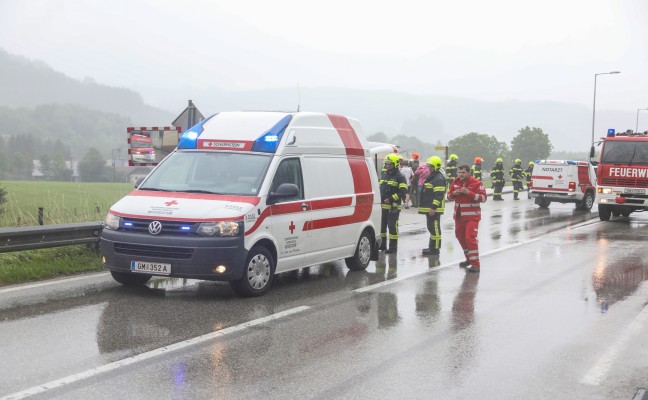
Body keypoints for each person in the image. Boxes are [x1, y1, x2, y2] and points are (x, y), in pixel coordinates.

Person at [447, 165, 487, 273]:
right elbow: (448, 197)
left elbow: (483, 198)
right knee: (461, 238)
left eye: (463, 172)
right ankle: (469, 260)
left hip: (472, 216)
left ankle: (476, 265)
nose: (460, 175)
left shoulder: (476, 183)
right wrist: (453, 194)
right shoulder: (455, 182)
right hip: (459, 216)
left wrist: (468, 193)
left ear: (469, 173)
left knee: (470, 238)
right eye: (459, 172)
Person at [379, 153, 408, 253]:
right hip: (383, 206)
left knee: (392, 226)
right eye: (386, 164)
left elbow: (403, 191)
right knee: (382, 227)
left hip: (393, 206)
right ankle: (382, 246)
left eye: (390, 164)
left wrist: (391, 199)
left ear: (395, 164)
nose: (387, 166)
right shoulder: (384, 174)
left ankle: (393, 248)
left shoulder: (400, 176)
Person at [418, 156, 446, 256]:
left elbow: (439, 195)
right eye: (429, 166)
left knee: (435, 228)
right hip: (430, 207)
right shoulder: (433, 176)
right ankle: (431, 247)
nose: (429, 168)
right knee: (431, 228)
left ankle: (435, 249)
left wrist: (433, 207)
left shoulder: (438, 178)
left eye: (431, 166)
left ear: (436, 167)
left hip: (434, 208)